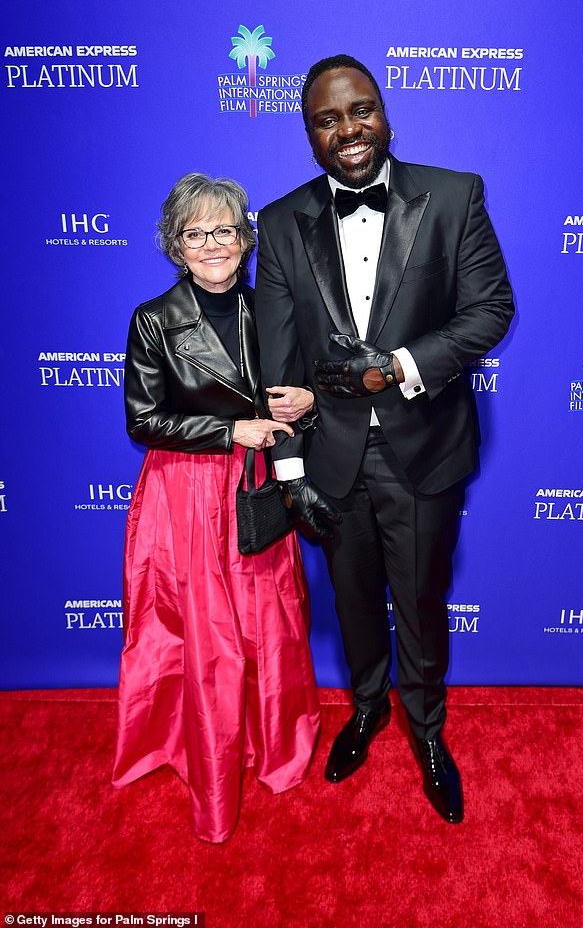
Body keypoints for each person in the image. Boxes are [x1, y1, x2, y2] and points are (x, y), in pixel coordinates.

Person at [255, 55, 514, 824]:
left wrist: (396, 366)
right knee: (355, 599)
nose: (348, 131)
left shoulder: (453, 194)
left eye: (360, 110)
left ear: (385, 111)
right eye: (327, 120)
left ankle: (427, 731)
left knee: (423, 599)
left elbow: (490, 310)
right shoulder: (279, 221)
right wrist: (291, 469)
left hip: (425, 446)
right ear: (309, 135)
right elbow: (277, 363)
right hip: (330, 456)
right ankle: (367, 708)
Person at [112, 173, 320, 843]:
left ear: (244, 237)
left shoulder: (271, 308)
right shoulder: (152, 319)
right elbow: (143, 420)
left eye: (225, 229)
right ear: (176, 243)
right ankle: (201, 752)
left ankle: (275, 745)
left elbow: (294, 395)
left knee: (271, 623)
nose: (213, 244)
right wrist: (228, 431)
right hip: (184, 492)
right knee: (204, 638)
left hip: (257, 487)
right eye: (197, 232)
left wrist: (301, 405)